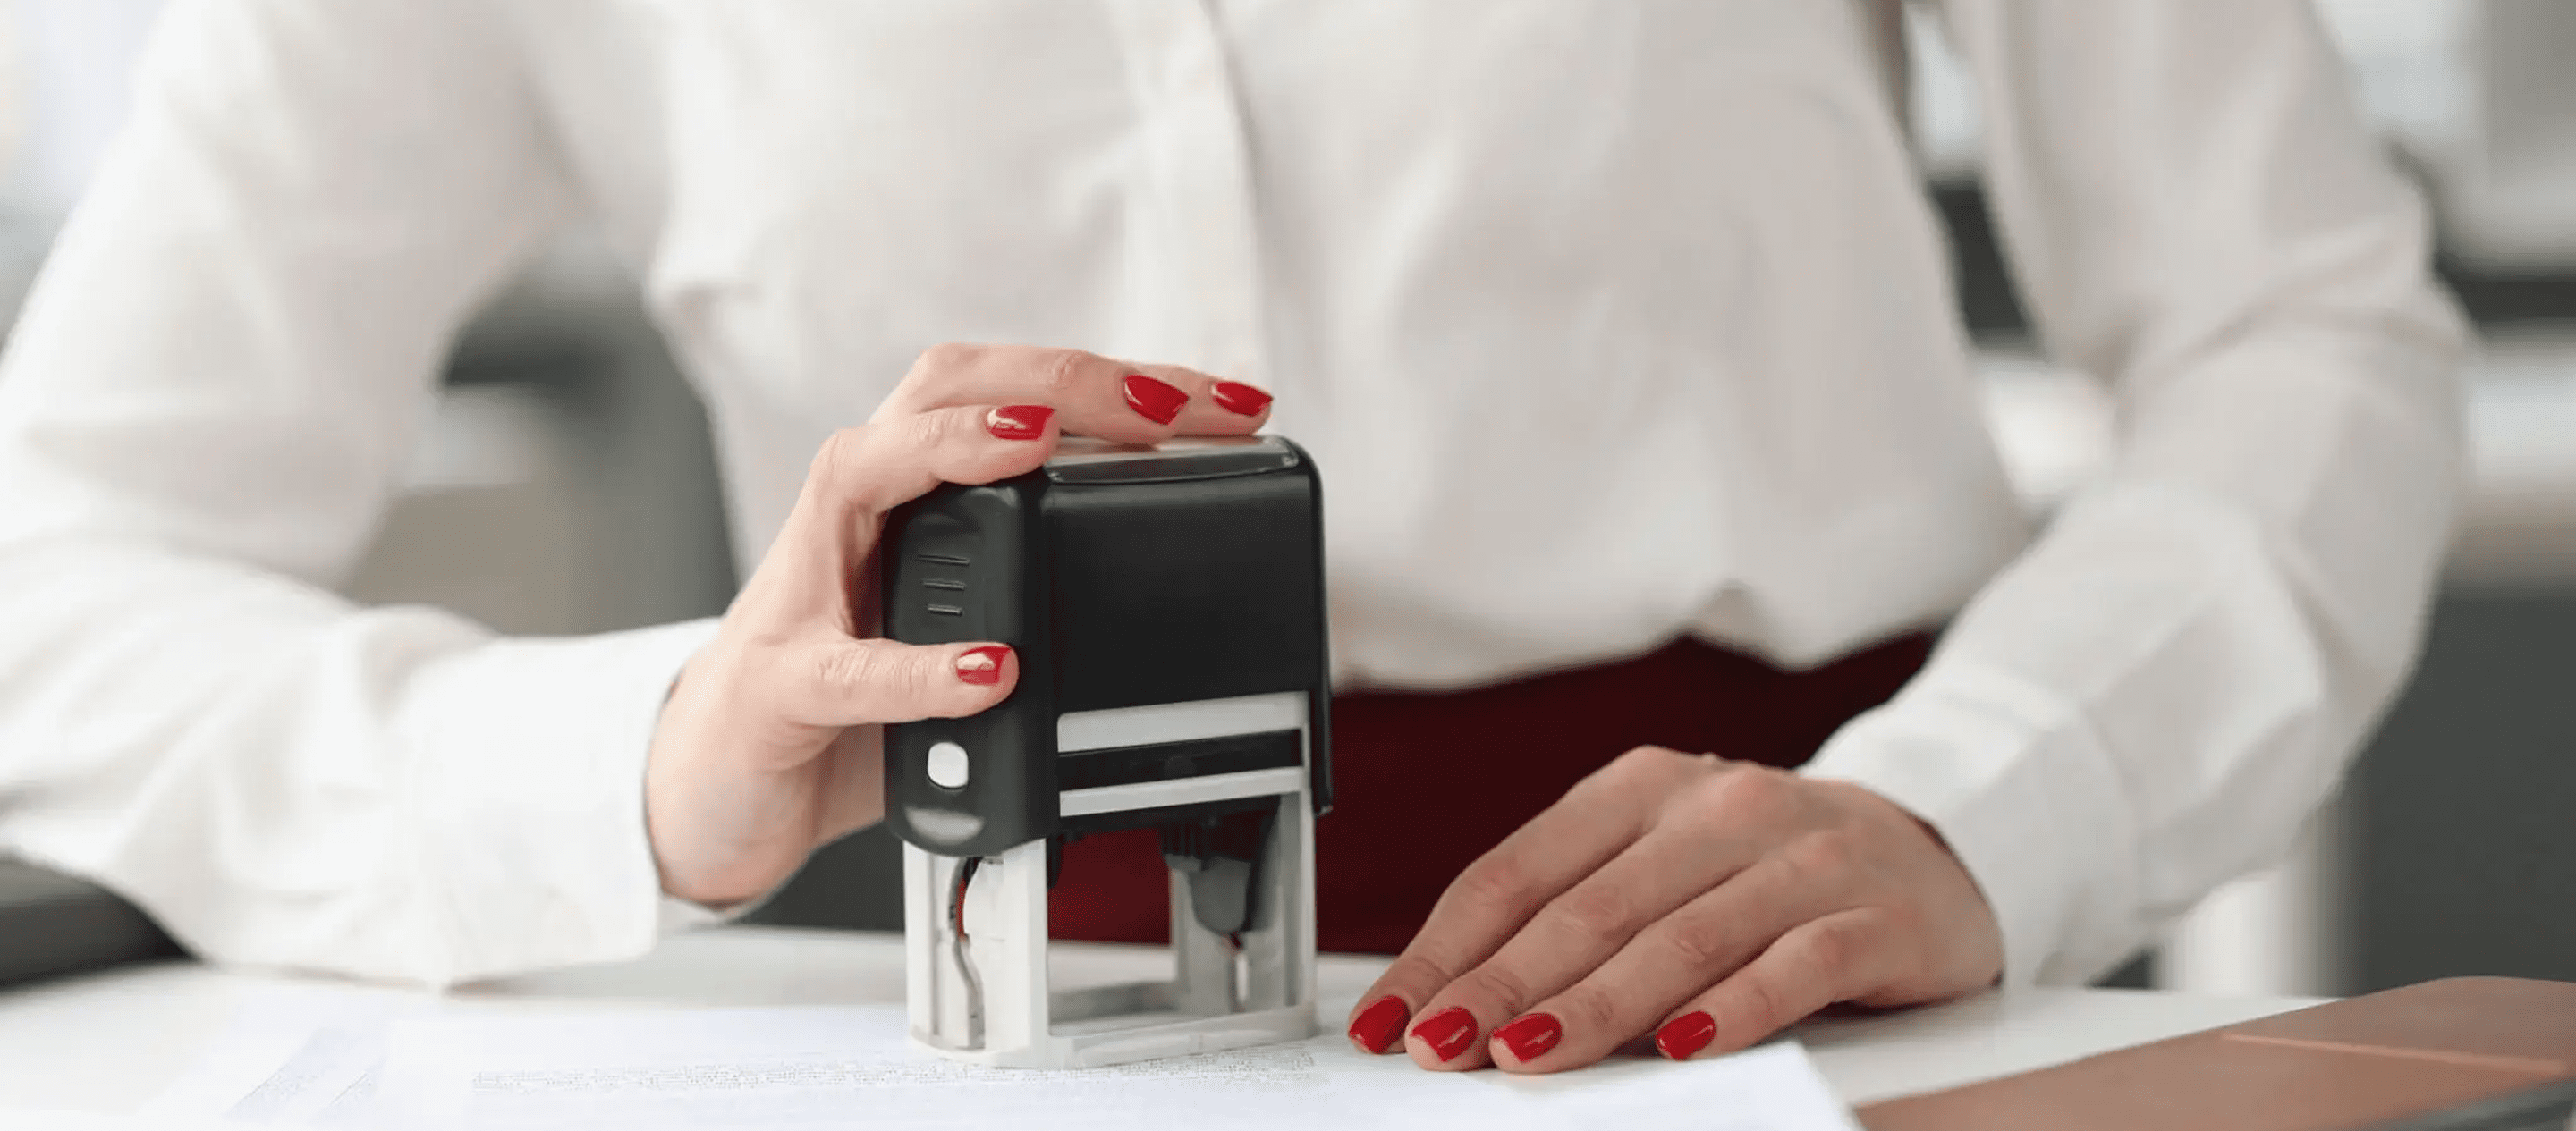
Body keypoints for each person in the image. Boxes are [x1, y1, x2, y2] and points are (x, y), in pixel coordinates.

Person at [0, 0, 2463, 1076]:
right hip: (963, 1023)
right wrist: (648, 764)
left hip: (1809, 1001)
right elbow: (60, 577)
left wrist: (1989, 799)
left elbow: (2299, 320)